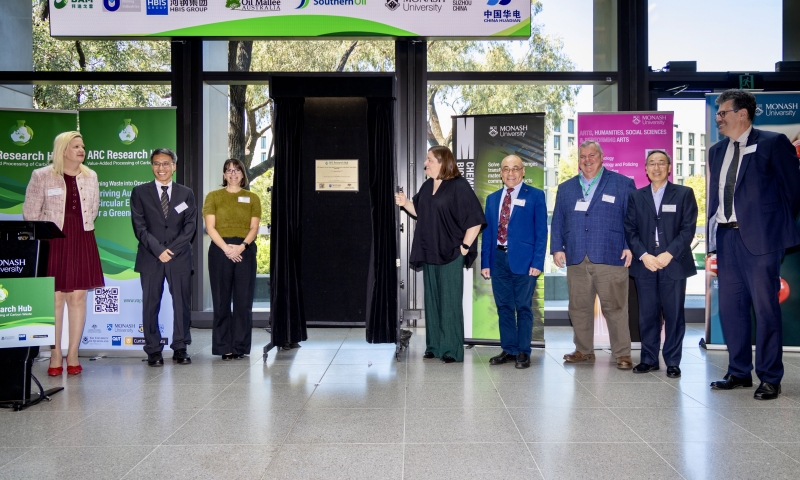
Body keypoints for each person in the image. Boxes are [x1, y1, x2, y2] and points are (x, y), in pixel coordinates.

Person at [707, 89, 800, 400]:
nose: (718, 117)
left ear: (742, 114)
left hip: (762, 240)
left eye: (723, 112)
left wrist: (773, 229)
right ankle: (739, 371)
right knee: (731, 309)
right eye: (718, 113)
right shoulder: (717, 151)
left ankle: (771, 376)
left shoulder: (773, 143)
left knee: (765, 309)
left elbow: (792, 192)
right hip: (726, 237)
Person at [395, 146, 486, 363]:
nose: (425, 164)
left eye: (429, 160)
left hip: (452, 253)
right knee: (433, 301)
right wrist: (406, 203)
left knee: (450, 302)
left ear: (442, 161)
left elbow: (474, 220)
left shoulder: (459, 186)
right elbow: (420, 211)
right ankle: (434, 346)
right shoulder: (427, 186)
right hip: (430, 251)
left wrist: (464, 247)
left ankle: (451, 350)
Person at [22, 131, 103, 376]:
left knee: (78, 299)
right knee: (55, 300)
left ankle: (74, 353)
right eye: (76, 146)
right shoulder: (42, 175)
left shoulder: (91, 176)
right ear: (63, 150)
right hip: (53, 241)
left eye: (83, 146)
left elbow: (94, 209)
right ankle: (55, 353)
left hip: (82, 238)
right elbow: (30, 214)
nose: (82, 150)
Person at [550, 140, 636, 369]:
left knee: (615, 308)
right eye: (583, 156)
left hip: (611, 255)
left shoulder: (622, 183)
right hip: (576, 256)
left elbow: (632, 219)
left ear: (601, 157)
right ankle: (584, 350)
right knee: (578, 307)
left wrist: (629, 245)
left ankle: (622, 353)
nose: (587, 160)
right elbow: (558, 220)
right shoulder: (566, 188)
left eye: (592, 155)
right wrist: (557, 248)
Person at [624, 150, 698, 378]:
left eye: (661, 163)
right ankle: (648, 359)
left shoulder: (684, 193)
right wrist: (644, 255)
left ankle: (673, 361)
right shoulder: (637, 196)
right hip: (645, 264)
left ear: (669, 167)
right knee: (647, 314)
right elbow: (630, 230)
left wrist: (669, 254)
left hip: (673, 264)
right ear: (645, 169)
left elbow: (688, 229)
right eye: (652, 164)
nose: (656, 167)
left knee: (674, 315)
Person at [130, 148, 197, 367]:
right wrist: (159, 249)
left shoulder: (186, 193)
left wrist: (172, 250)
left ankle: (180, 347)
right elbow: (139, 227)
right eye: (157, 163)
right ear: (152, 166)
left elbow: (190, 227)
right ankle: (153, 350)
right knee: (150, 305)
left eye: (166, 163)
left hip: (179, 257)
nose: (161, 168)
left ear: (174, 166)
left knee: (181, 303)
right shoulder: (139, 192)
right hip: (150, 257)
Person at [480, 155, 547, 369]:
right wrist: (485, 262)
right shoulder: (492, 199)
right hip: (498, 259)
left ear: (523, 171)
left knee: (524, 307)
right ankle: (509, 349)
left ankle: (523, 352)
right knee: (504, 306)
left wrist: (537, 262)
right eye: (506, 169)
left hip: (525, 261)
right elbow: (488, 233)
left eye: (515, 168)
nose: (511, 173)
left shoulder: (535, 196)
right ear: (500, 173)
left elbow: (541, 232)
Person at [203, 159, 261, 360]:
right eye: (229, 170)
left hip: (245, 249)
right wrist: (226, 248)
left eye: (237, 170)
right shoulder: (213, 197)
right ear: (224, 174)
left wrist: (242, 247)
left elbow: (254, 228)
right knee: (221, 301)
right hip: (220, 250)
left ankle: (240, 346)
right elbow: (210, 227)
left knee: (243, 301)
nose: (233, 174)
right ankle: (223, 347)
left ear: (243, 175)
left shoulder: (252, 198)